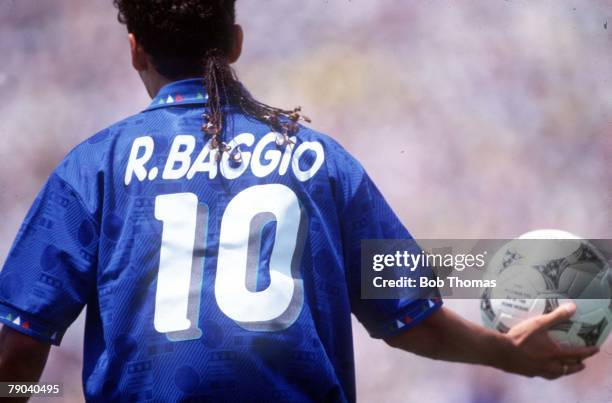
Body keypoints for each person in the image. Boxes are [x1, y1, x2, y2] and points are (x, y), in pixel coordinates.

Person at [0, 1, 599, 402]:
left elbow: (18, 349)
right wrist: (504, 352)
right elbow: (409, 317)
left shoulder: (94, 168)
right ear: (235, 43)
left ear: (135, 49)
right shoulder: (321, 161)